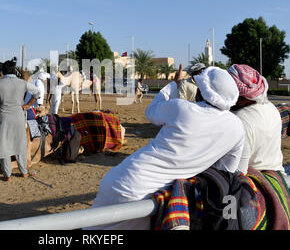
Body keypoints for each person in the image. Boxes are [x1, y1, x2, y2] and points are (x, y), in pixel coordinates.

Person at [85, 66, 244, 230]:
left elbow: (152, 111)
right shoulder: (237, 127)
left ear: (201, 91)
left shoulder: (183, 108)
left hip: (125, 182)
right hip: (151, 196)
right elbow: (226, 171)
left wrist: (173, 85)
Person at [0, 59, 40, 181]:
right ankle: (24, 172)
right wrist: (28, 105)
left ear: (3, 72)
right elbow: (37, 92)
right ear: (14, 71)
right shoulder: (22, 83)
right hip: (18, 116)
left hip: (3, 117)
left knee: (4, 145)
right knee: (19, 144)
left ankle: (7, 175)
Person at [227, 64, 285, 175]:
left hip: (255, 180)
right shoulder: (271, 108)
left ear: (240, 96)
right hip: (278, 175)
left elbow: (239, 171)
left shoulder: (240, 119)